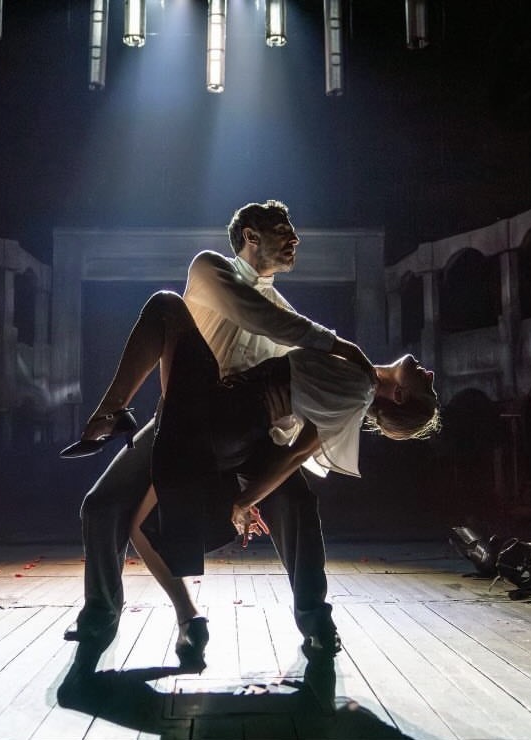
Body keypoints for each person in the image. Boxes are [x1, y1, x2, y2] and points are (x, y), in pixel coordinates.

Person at [62, 200, 424, 666]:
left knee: (297, 502)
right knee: (100, 506)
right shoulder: (210, 270)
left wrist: (252, 492)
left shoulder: (283, 309)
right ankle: (125, 614)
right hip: (189, 416)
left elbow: (302, 380)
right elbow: (264, 319)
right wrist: (339, 344)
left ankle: (316, 621)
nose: (295, 238)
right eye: (283, 229)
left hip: (246, 428)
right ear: (251, 236)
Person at [64, 289, 440, 584]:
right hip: (227, 409)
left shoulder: (358, 390)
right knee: (168, 325)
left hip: (229, 416)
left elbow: (296, 454)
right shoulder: (356, 380)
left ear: (400, 396)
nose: (431, 375)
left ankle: (110, 415)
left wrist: (244, 501)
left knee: (166, 307)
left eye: (427, 387)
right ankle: (117, 417)